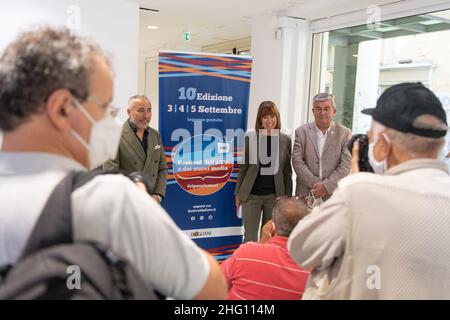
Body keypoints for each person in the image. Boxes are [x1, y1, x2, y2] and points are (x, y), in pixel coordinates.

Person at [0, 27, 227, 300]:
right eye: (106, 107)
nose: (110, 121)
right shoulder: (109, 202)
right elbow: (211, 288)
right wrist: (140, 201)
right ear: (62, 109)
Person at [288, 83, 450, 299]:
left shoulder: (359, 193)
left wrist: (353, 183)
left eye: (371, 139)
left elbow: (301, 248)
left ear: (383, 145)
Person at [221, 198, 310, 300]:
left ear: (272, 227)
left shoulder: (245, 254)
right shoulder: (314, 271)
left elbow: (217, 281)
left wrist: (263, 244)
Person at [235, 101, 293, 242]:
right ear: (260, 120)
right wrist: (238, 194)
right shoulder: (251, 138)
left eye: (272, 116)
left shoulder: (285, 140)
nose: (269, 121)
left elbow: (287, 172)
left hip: (274, 198)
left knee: (269, 238)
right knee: (249, 237)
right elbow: (244, 168)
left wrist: (287, 197)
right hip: (251, 196)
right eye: (265, 117)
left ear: (277, 118)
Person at [103, 95, 167, 203]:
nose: (146, 115)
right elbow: (112, 174)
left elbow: (162, 168)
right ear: (129, 112)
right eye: (141, 110)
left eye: (149, 110)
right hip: (127, 202)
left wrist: (157, 196)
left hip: (152, 202)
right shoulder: (114, 135)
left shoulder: (155, 135)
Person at [292, 93, 352, 204]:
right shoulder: (301, 132)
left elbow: (346, 165)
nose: (322, 112)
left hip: (333, 196)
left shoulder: (345, 134)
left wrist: (326, 187)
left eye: (326, 109)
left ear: (334, 111)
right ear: (313, 111)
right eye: (318, 109)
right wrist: (318, 186)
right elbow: (297, 162)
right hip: (306, 195)